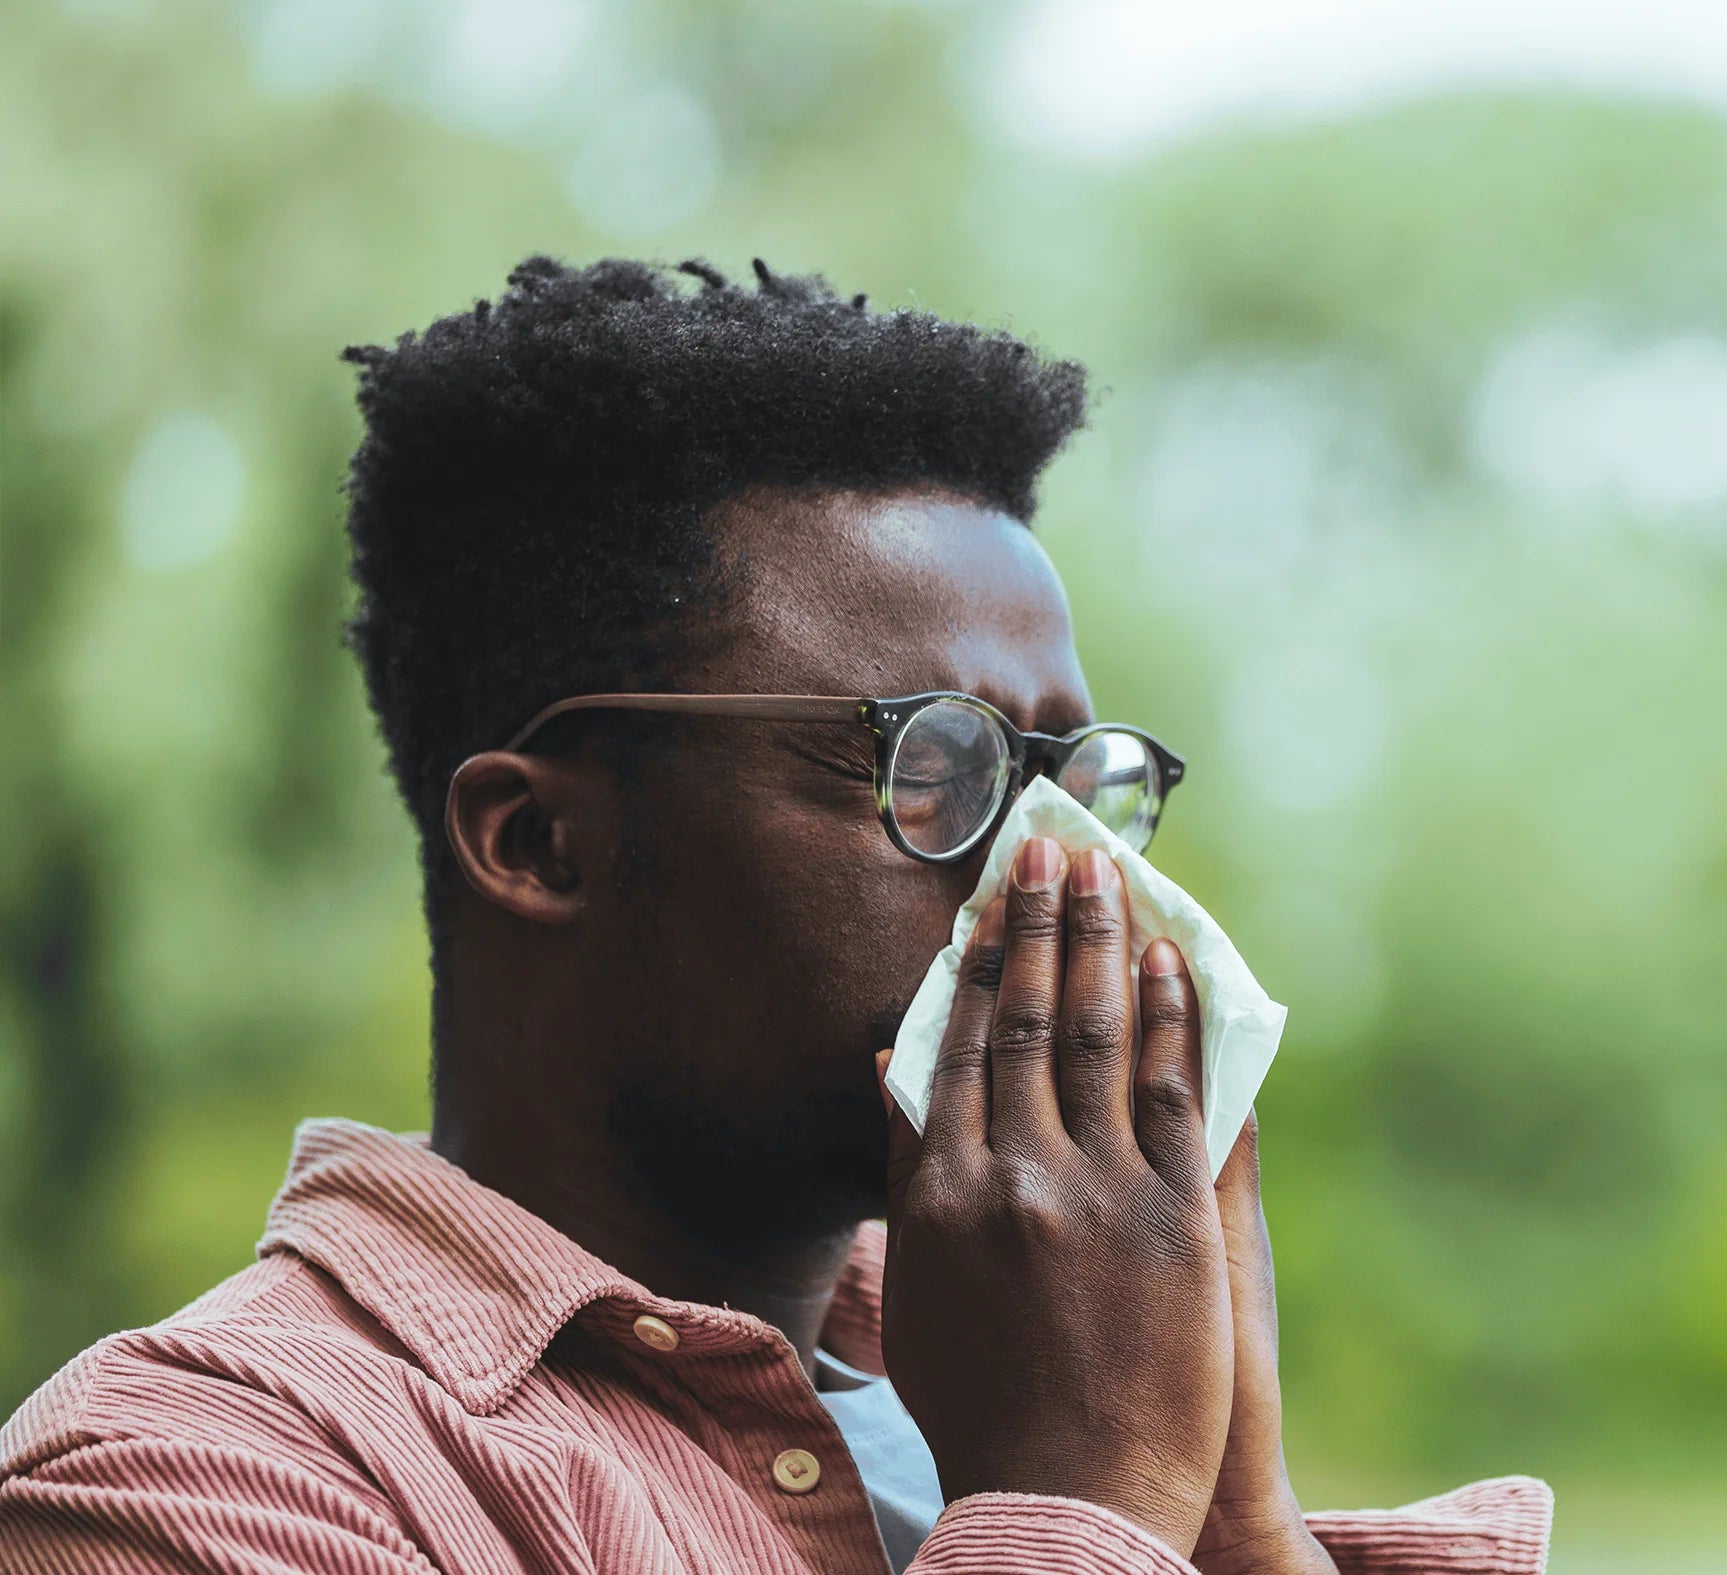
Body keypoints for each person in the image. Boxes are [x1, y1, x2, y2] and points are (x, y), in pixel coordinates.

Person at [0, 257, 1551, 1574]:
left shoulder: (1021, 1386)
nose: (1057, 868)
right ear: (539, 839)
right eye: (935, 762)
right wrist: (1067, 1510)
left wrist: (1235, 1527)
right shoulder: (194, 1474)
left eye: (1077, 778)